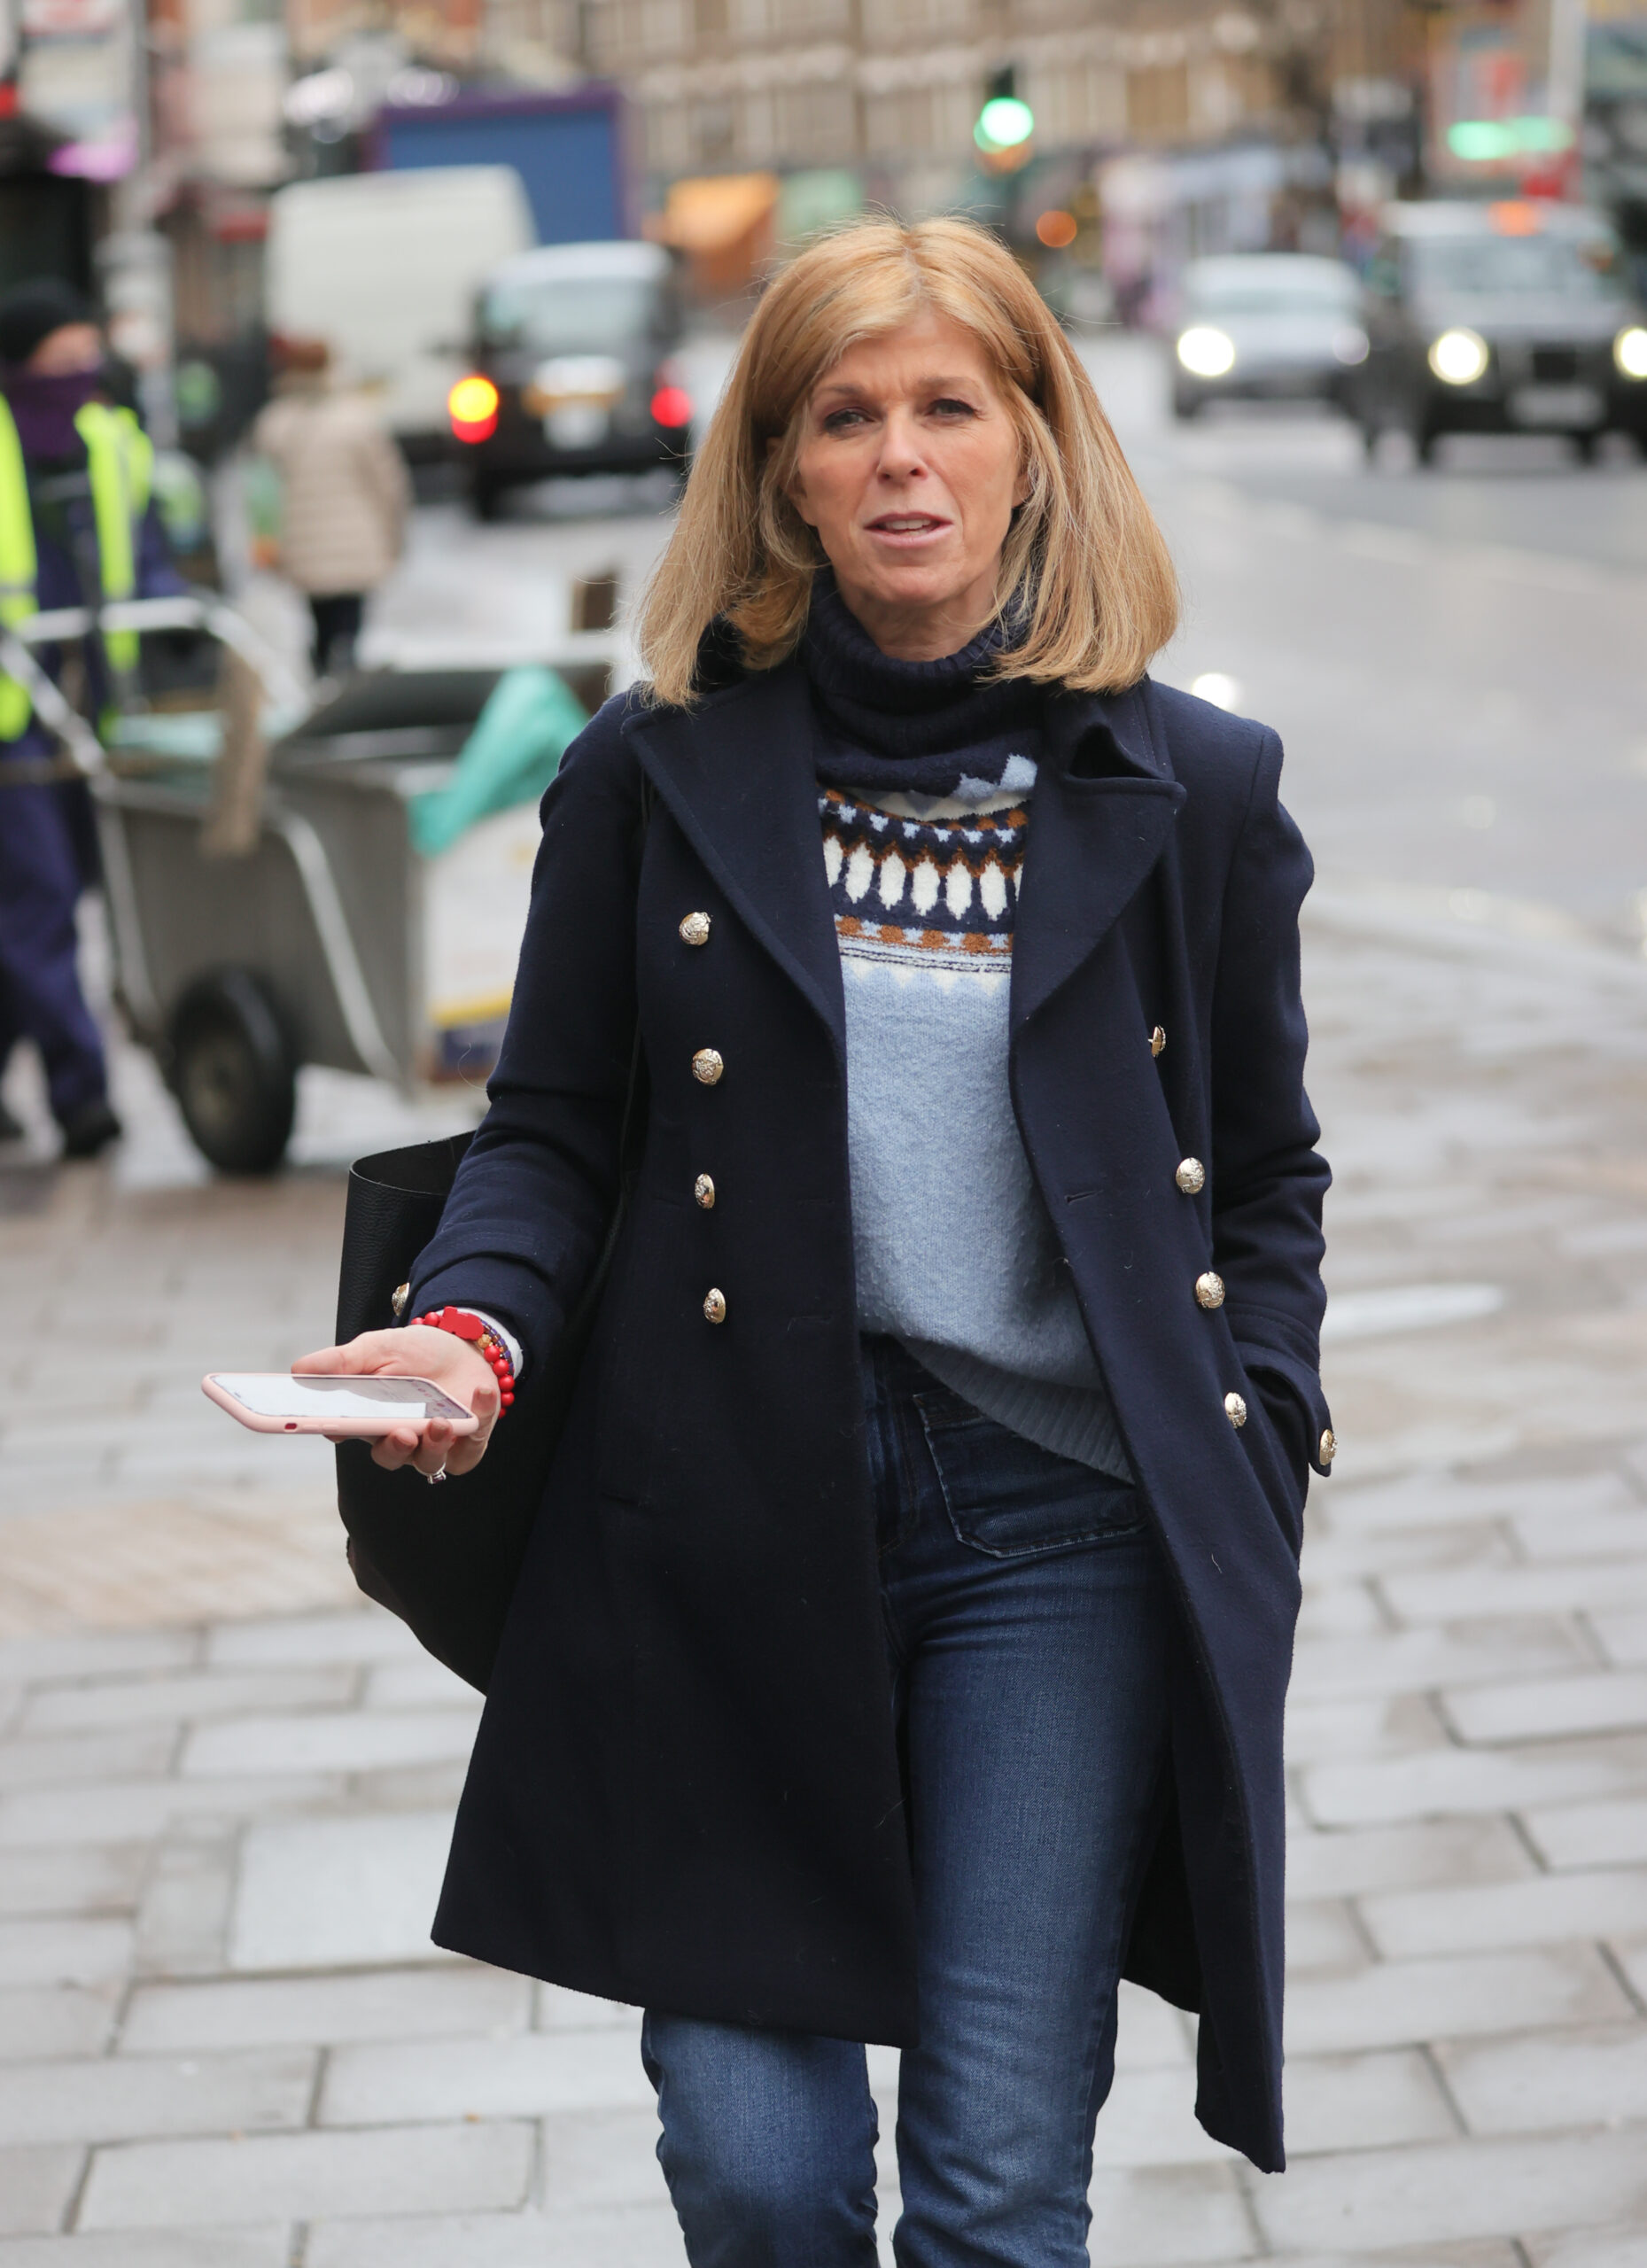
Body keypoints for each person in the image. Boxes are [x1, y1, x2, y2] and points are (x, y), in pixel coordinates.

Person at [298, 217, 1333, 2261]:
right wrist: (469, 1331)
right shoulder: (649, 771)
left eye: (949, 404)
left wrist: (1257, 1420)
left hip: (1058, 1525)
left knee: (992, 2179)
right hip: (722, 1509)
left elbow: (1267, 1167)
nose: (898, 457)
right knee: (761, 2169)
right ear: (772, 467)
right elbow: (551, 1131)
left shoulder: (1190, 787)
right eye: (842, 415)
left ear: (1034, 439)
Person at [0, 278, 176, 1159]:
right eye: (61, 361)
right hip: (10, 725)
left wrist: (175, 622)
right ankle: (82, 1099)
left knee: (47, 899)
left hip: (93, 707)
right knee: (40, 900)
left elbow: (144, 555)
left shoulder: (110, 440)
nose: (83, 374)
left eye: (88, 358)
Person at [251, 336, 409, 682]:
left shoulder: (274, 422)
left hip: (302, 544)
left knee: (319, 618)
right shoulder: (359, 418)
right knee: (350, 619)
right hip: (357, 540)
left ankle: (322, 672)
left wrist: (264, 542)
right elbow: (390, 486)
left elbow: (262, 494)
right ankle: (346, 671)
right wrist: (395, 534)